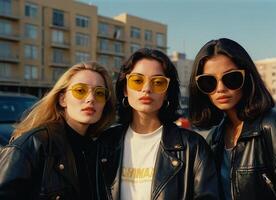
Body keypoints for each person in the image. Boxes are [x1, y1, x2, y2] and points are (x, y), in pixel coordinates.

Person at [98, 48, 219, 200]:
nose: (147, 89)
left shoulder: (192, 147)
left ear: (167, 91)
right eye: (137, 81)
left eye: (158, 82)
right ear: (125, 89)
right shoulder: (105, 143)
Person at [189, 38, 276, 200]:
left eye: (231, 78)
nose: (220, 89)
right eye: (208, 82)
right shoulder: (215, 137)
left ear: (248, 78)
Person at [0, 61, 115, 200]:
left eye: (99, 93)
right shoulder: (34, 144)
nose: (91, 98)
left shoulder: (101, 149)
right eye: (80, 91)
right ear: (63, 99)